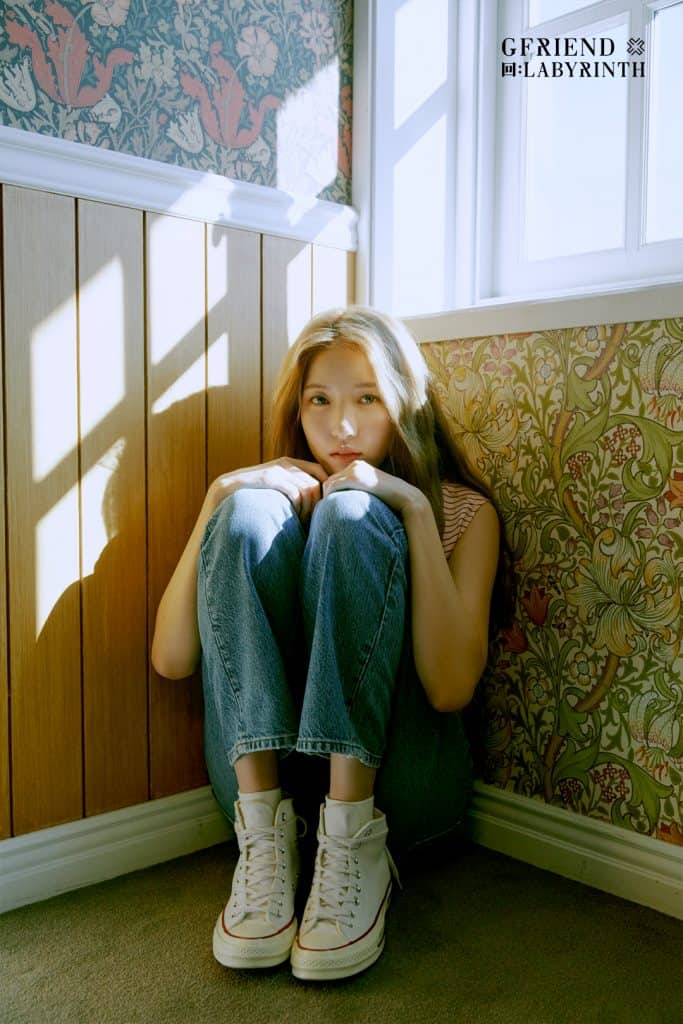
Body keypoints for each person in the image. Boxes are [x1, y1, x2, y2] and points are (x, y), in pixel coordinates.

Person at [151, 306, 511, 982]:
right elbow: (172, 660)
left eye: (367, 399)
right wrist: (216, 500)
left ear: (406, 403)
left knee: (352, 516)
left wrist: (410, 509)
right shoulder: (273, 500)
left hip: (404, 790)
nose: (341, 426)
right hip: (273, 787)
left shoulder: (464, 511)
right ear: (298, 409)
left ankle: (353, 840)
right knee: (247, 510)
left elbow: (449, 689)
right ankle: (264, 840)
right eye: (320, 400)